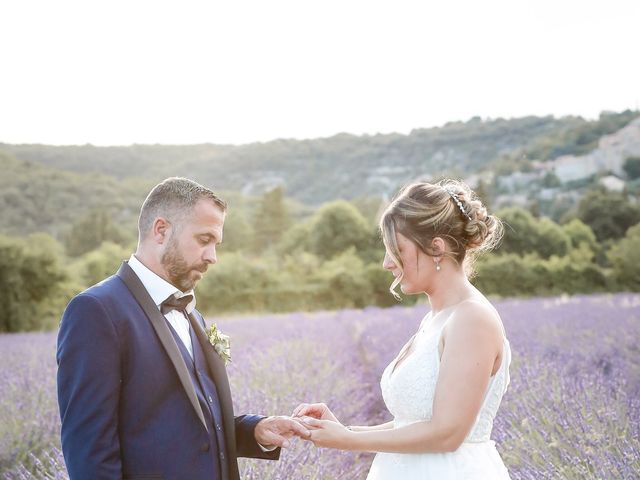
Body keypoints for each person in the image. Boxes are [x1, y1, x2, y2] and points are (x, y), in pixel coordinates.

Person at [57, 177, 310, 480]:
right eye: (204, 240)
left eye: (216, 244)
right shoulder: (96, 311)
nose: (212, 257)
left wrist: (254, 430)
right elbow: (88, 451)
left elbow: (186, 428)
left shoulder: (192, 315)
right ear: (161, 230)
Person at [294, 179, 511, 479]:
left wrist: (349, 440)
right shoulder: (436, 318)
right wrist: (343, 431)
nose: (386, 263)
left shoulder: (472, 318)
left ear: (437, 248)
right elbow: (411, 422)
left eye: (396, 250)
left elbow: (448, 433)